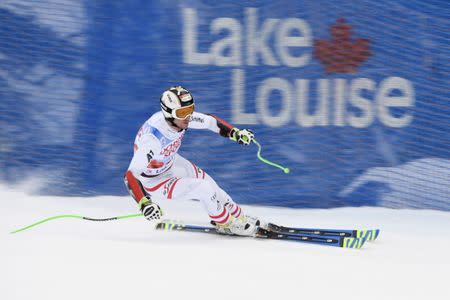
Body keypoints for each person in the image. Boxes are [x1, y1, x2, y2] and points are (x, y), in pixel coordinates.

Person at [124, 86, 260, 236]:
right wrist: (144, 203)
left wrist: (235, 133)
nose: (188, 117)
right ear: (168, 114)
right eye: (183, 113)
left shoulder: (179, 118)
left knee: (213, 187)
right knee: (204, 188)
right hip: (155, 181)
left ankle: (239, 216)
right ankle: (227, 223)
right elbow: (130, 175)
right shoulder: (153, 139)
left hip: (170, 163)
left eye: (191, 109)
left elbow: (210, 122)